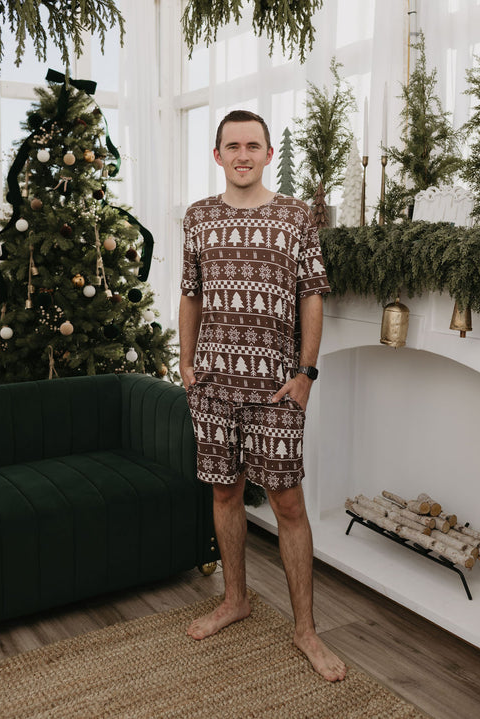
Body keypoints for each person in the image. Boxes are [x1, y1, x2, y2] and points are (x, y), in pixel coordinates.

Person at [179, 109, 346, 682]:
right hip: (214, 385)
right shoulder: (198, 217)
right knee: (225, 495)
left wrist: (306, 374)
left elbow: (312, 296)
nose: (243, 154)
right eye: (233, 145)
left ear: (269, 154)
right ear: (218, 154)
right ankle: (236, 599)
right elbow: (191, 295)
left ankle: (306, 631)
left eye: (254, 145)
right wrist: (185, 362)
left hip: (276, 389)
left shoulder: (297, 217)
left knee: (288, 505)